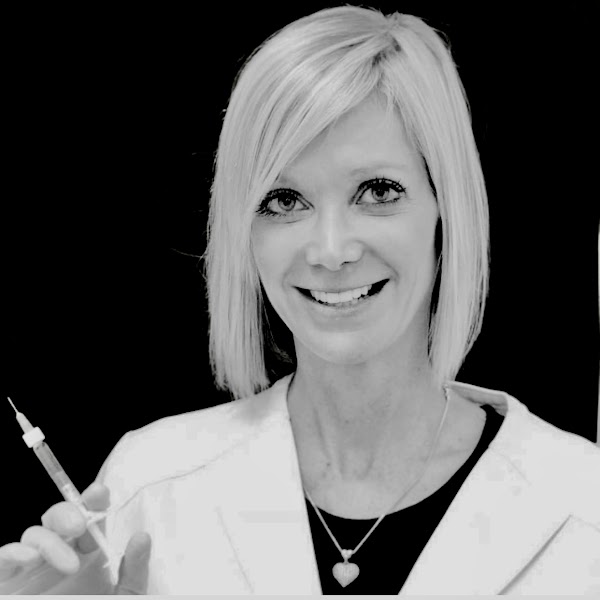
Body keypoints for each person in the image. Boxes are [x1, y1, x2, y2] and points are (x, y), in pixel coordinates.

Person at [1, 5, 599, 595]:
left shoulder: (582, 506)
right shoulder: (148, 488)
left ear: (446, 208)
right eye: (284, 201)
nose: (331, 251)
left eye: (378, 191)